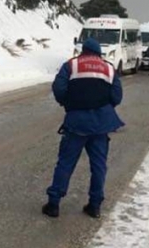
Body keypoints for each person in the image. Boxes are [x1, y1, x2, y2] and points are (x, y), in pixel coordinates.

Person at [43, 38, 125, 219]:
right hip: (101, 124)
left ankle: (54, 204)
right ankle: (94, 205)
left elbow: (58, 88)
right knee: (98, 166)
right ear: (98, 53)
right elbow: (117, 97)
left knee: (65, 163)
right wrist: (103, 107)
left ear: (83, 51)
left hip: (77, 122)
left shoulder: (71, 66)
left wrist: (68, 103)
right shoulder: (109, 68)